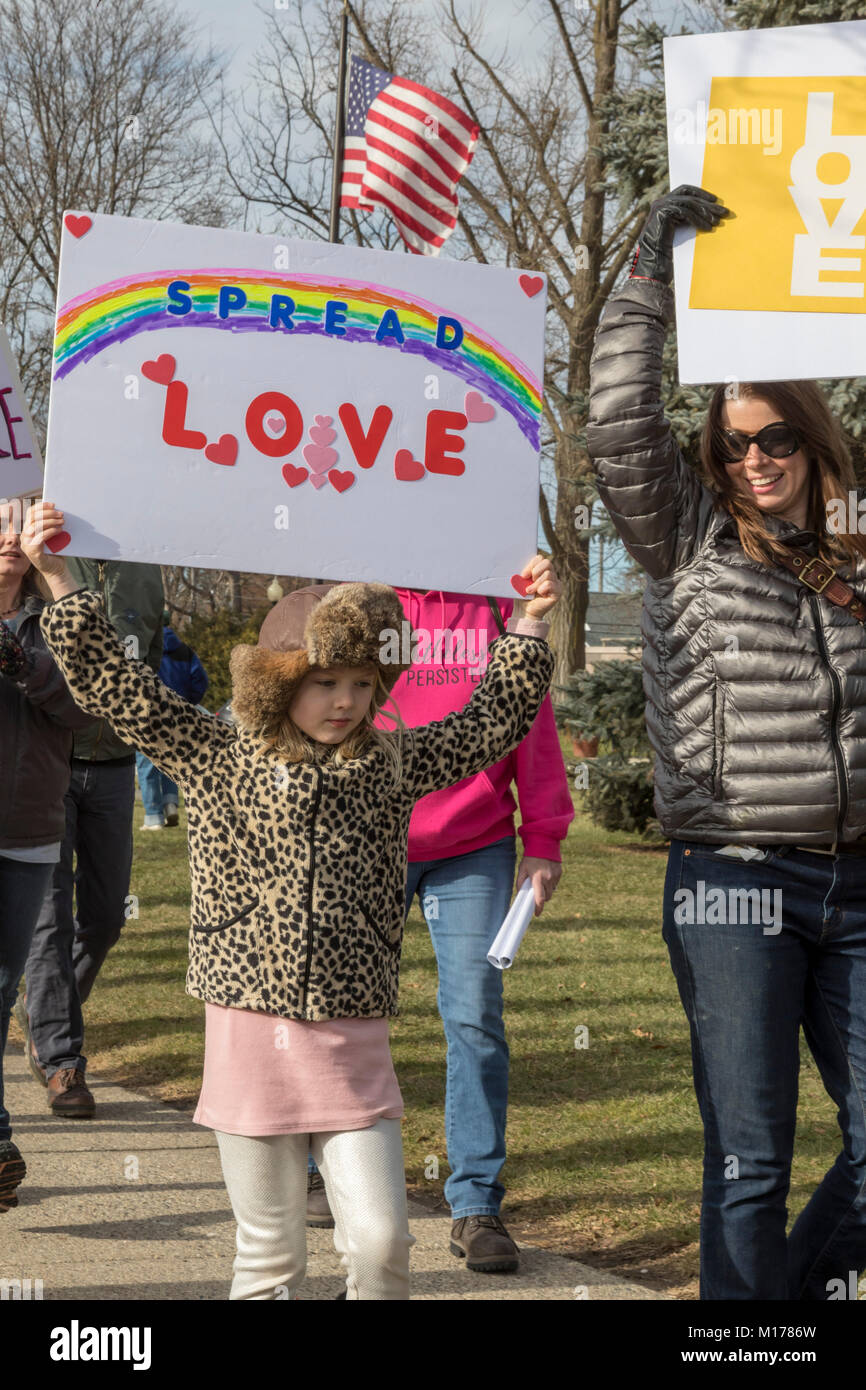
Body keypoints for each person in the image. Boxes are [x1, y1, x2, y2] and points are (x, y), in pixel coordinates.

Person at [23, 499, 559, 1300]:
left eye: (359, 683)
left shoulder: (391, 762)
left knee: (380, 1246)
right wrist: (59, 579)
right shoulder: (213, 752)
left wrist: (529, 626)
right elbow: (118, 688)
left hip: (353, 1043)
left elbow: (489, 724)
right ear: (277, 683)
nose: (343, 701)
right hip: (249, 1037)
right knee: (270, 1259)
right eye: (321, 682)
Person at [587, 184, 866, 1301]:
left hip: (856, 886)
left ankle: (770, 1310)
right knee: (749, 1159)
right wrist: (648, 266)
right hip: (732, 884)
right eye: (733, 440)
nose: (754, 456)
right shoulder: (687, 538)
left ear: (810, 434)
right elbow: (613, 419)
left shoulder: (856, 550)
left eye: (775, 437)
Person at [280, 585, 574, 1270]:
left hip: (475, 842)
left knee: (474, 1016)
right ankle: (321, 1164)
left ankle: (475, 1204)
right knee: (336, 1007)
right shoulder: (358, 596)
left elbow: (528, 715)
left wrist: (546, 835)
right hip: (366, 830)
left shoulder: (500, 604)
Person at [16, 550, 164, 1118]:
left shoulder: (147, 570)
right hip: (49, 759)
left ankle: (44, 1011)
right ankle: (60, 1061)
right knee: (49, 917)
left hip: (115, 765)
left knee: (104, 916)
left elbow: (146, 664)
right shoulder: (38, 562)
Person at [0, 508, 94, 1210]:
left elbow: (90, 707)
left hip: (29, 828)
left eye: (17, 525)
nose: (7, 538)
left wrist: (26, 666)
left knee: (3, 987)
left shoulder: (51, 619)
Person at [137, 615, 208, 829]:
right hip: (178, 715)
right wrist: (187, 703)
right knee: (171, 762)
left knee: (146, 764)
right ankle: (170, 805)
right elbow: (200, 681)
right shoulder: (185, 651)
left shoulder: (145, 650)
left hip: (148, 715)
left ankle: (152, 816)